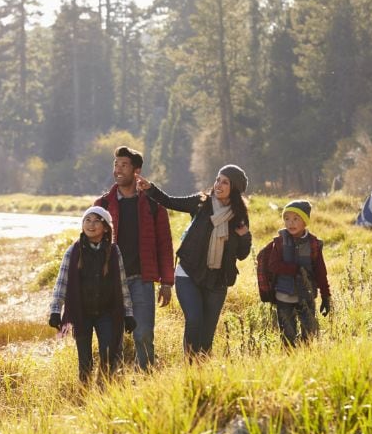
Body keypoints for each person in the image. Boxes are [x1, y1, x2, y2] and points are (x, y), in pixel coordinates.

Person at [136, 165, 252, 358]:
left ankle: (201, 373)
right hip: (188, 272)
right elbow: (169, 201)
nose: (218, 185)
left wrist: (245, 236)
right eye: (217, 179)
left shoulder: (239, 217)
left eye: (225, 182)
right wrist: (150, 189)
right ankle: (190, 368)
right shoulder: (201, 203)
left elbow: (242, 254)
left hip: (217, 280)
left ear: (235, 188)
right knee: (194, 320)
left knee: (207, 333)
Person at [94, 146, 174, 371]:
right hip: (111, 282)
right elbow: (91, 247)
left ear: (136, 171)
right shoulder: (102, 205)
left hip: (142, 280)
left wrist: (167, 282)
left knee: (144, 333)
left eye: (124, 165)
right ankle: (111, 381)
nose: (118, 170)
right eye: (116, 165)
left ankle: (146, 376)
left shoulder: (153, 204)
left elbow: (165, 245)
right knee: (112, 337)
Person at [49, 206, 136, 383]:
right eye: (87, 220)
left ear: (105, 227)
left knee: (109, 354)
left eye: (97, 221)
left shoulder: (113, 251)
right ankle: (84, 392)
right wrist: (55, 311)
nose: (91, 224)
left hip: (107, 313)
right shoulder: (73, 251)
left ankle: (106, 390)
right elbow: (62, 282)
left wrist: (128, 314)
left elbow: (122, 284)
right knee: (84, 360)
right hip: (81, 314)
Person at [257, 200, 331, 346]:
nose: (290, 223)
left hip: (307, 296)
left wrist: (325, 296)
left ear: (305, 221)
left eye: (295, 219)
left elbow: (321, 271)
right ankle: (289, 360)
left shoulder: (313, 244)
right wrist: (295, 269)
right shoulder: (279, 242)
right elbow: (273, 265)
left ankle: (305, 362)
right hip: (283, 296)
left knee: (309, 335)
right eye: (287, 219)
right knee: (288, 337)